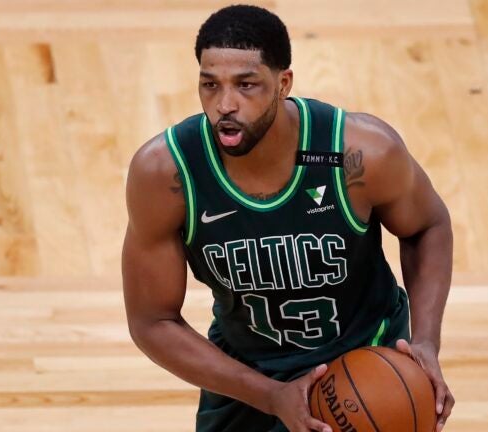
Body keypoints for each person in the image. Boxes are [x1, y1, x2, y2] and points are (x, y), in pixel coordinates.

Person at [122, 5, 454, 432]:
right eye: (210, 85)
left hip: (366, 365)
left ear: (283, 84)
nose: (225, 104)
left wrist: (425, 341)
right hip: (249, 375)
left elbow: (428, 226)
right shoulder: (166, 173)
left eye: (246, 85)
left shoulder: (359, 152)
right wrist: (271, 396)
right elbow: (152, 321)